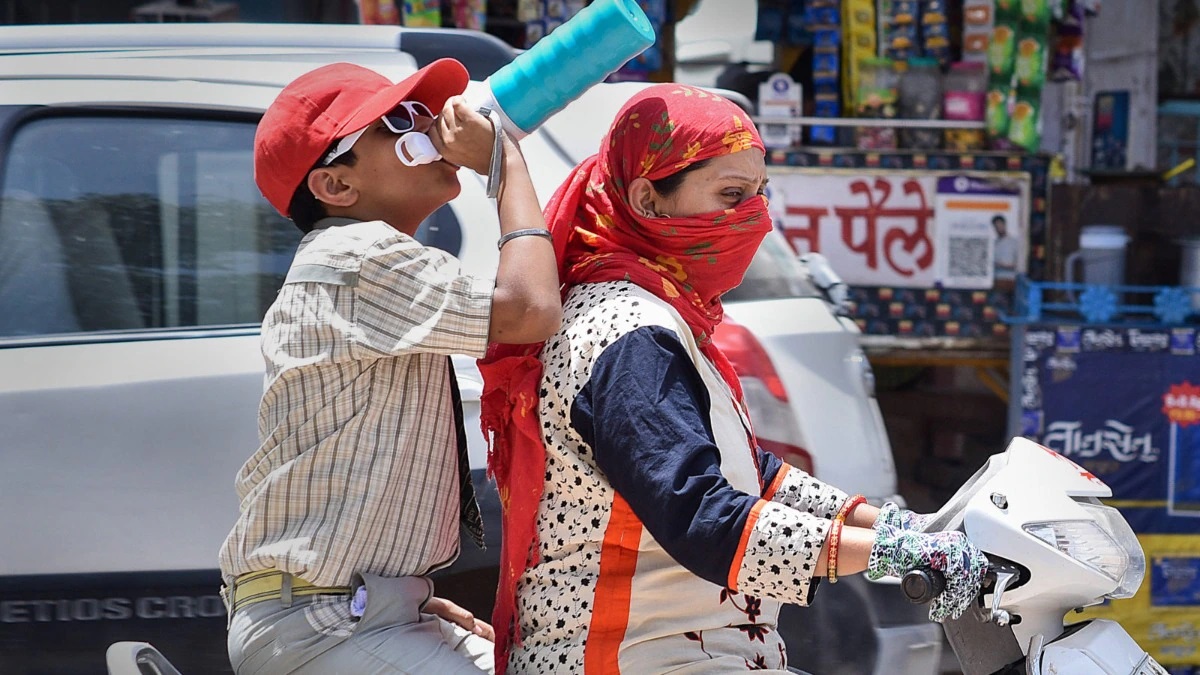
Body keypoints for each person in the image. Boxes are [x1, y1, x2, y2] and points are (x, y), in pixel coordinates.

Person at [478, 84, 988, 674]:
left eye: (759, 195)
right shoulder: (628, 331)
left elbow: (748, 471)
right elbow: (700, 515)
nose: (755, 218)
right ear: (648, 198)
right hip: (624, 656)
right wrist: (896, 554)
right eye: (731, 195)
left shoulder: (661, 313)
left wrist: (906, 528)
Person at [219, 58, 561, 674]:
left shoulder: (377, 259)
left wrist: (404, 602)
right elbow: (530, 309)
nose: (429, 126)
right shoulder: (355, 254)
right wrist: (505, 164)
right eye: (399, 121)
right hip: (324, 627)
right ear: (337, 187)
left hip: (350, 613)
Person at [993, 214, 1018, 281]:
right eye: (996, 227)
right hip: (995, 279)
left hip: (1010, 279)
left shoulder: (1014, 242)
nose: (999, 228)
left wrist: (1002, 265)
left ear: (1004, 225)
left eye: (1000, 225)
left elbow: (1019, 265)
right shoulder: (994, 243)